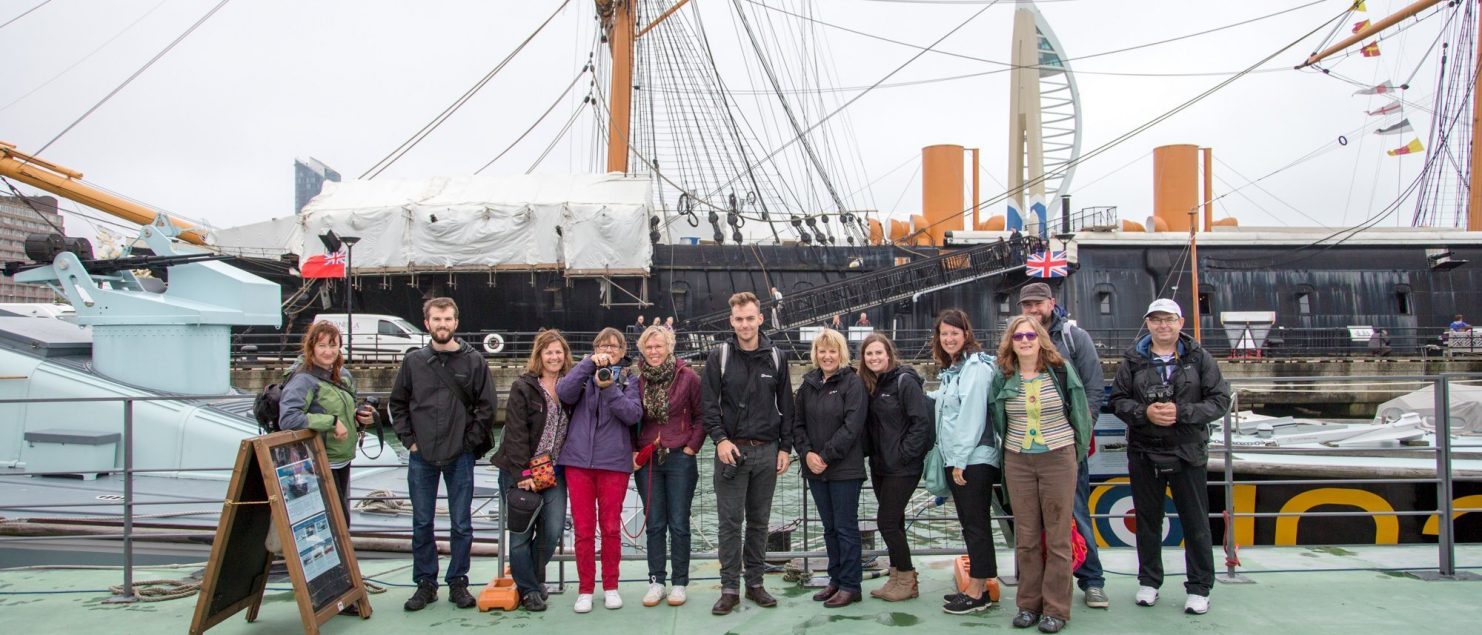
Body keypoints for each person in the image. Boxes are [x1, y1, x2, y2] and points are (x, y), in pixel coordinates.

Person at [1109, 299, 1231, 616]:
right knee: (1147, 521)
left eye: (1169, 320)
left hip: (1187, 450)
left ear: (1180, 322)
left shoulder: (1199, 358)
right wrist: (1144, 412)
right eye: (1156, 320)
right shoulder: (1133, 360)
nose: (1163, 325)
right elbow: (1118, 400)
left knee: (1195, 522)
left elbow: (1219, 400)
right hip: (1144, 450)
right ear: (1148, 323)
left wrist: (1183, 412)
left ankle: (1200, 587)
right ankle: (1149, 581)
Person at [390, 297, 499, 612]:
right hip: (421, 453)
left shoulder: (474, 361)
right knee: (422, 522)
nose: (442, 325)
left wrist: (468, 443)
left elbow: (487, 407)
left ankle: (458, 582)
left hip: (459, 455)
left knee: (461, 523)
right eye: (437, 319)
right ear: (427, 323)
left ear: (456, 322)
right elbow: (398, 404)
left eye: (448, 319)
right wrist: (409, 440)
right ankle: (426, 583)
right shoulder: (413, 363)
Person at [989, 316, 1093, 634]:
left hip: (1058, 458)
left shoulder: (1060, 370)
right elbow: (996, 416)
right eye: (1018, 336)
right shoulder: (1003, 375)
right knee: (1027, 537)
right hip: (1018, 460)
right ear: (1011, 342)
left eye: (1030, 335)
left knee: (1059, 537)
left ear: (1040, 339)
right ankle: (1028, 604)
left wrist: (1072, 455)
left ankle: (1056, 609)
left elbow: (1080, 412)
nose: (1024, 340)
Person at [702, 291, 794, 616]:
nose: (744, 324)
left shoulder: (777, 358)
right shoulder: (720, 357)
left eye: (749, 318)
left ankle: (755, 584)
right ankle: (730, 588)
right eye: (738, 319)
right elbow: (708, 405)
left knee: (759, 522)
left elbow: (787, 408)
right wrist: (719, 439)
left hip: (767, 452)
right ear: (732, 321)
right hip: (731, 452)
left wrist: (785, 448)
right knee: (729, 523)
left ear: (760, 319)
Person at [1018, 282, 1109, 609]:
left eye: (1038, 304)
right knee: (1033, 519)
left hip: (1066, 446)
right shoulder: (1018, 339)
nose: (1033, 310)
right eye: (1027, 305)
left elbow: (1094, 389)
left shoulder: (1073, 337)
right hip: (1028, 449)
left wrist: (1081, 434)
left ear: (1052, 303)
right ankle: (1040, 581)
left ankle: (1092, 579)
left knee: (1076, 512)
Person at [557, 328, 643, 613]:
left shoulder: (630, 379)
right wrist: (587, 365)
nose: (609, 350)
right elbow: (563, 393)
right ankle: (584, 589)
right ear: (594, 348)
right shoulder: (582, 375)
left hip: (613, 464)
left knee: (609, 528)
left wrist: (609, 389)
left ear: (623, 350)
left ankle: (610, 586)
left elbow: (632, 414)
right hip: (578, 462)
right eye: (603, 345)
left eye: (614, 346)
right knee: (582, 530)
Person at [492, 329, 574, 612]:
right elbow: (515, 434)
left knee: (551, 531)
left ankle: (530, 576)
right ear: (539, 356)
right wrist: (521, 474)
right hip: (522, 469)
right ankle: (529, 589)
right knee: (520, 534)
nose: (554, 356)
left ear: (565, 355)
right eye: (548, 352)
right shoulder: (524, 387)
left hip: (554, 471)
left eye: (558, 352)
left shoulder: (570, 387)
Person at [928, 308, 1002, 615]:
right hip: (961, 458)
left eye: (954, 333)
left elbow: (972, 414)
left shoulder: (975, 367)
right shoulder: (955, 369)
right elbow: (946, 405)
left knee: (976, 524)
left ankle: (976, 592)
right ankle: (979, 584)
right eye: (943, 334)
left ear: (966, 334)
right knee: (971, 524)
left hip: (973, 460)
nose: (948, 338)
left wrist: (958, 461)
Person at [628, 325, 703, 608]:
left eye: (658, 346)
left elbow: (701, 415)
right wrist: (634, 450)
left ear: (669, 346)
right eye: (649, 347)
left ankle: (680, 582)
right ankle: (656, 581)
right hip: (648, 459)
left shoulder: (688, 378)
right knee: (655, 523)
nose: (654, 351)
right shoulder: (637, 381)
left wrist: (691, 447)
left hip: (679, 457)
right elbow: (631, 418)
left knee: (680, 523)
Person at [794, 328, 869, 608]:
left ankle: (851, 584)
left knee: (846, 527)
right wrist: (806, 453)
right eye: (822, 351)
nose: (827, 356)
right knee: (829, 528)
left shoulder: (852, 384)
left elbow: (852, 427)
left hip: (845, 469)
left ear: (841, 353)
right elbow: (797, 424)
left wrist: (824, 455)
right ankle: (835, 580)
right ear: (816, 354)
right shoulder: (808, 384)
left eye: (832, 351)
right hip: (816, 468)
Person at [279, 320, 376, 527]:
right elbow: (288, 418)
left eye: (333, 345)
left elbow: (345, 410)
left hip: (342, 458)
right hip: (318, 461)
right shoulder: (303, 380)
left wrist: (359, 417)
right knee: (336, 521)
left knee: (340, 519)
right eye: (322, 345)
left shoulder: (343, 376)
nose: (328, 351)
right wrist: (332, 422)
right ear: (311, 346)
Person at [858, 332, 932, 601]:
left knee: (886, 522)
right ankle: (896, 577)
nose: (874, 357)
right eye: (869, 353)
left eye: (879, 352)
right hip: (880, 466)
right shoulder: (871, 385)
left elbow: (920, 423)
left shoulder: (904, 381)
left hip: (902, 467)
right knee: (896, 521)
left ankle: (908, 578)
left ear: (888, 354)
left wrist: (904, 455)